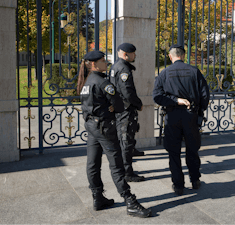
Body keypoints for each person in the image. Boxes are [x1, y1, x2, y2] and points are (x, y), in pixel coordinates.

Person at [77, 50, 151, 217]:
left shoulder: (87, 81)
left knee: (92, 163)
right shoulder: (103, 83)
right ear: (94, 64)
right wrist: (111, 107)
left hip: (91, 127)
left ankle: (97, 197)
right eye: (103, 61)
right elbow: (118, 105)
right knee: (116, 165)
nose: (106, 63)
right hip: (105, 128)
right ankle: (129, 201)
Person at [153, 44, 210, 195]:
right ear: (183, 56)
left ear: (170, 56)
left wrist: (174, 100)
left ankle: (178, 185)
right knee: (192, 150)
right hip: (191, 116)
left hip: (172, 117)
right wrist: (200, 111)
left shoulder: (164, 73)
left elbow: (157, 96)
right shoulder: (194, 71)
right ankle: (195, 180)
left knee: (174, 152)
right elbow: (205, 95)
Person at [109, 43, 145, 183]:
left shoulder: (115, 66)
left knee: (124, 140)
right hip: (125, 110)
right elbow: (127, 92)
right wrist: (138, 104)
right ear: (126, 54)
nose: (135, 55)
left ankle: (123, 168)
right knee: (126, 142)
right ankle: (127, 172)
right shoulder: (124, 69)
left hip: (119, 108)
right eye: (133, 53)